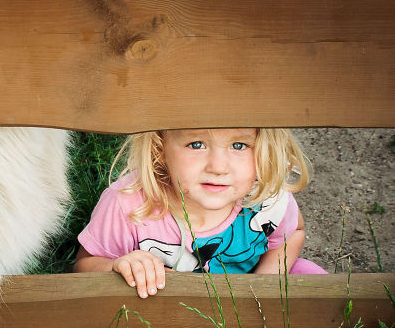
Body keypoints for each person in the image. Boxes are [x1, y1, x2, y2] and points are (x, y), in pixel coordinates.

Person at [74, 128, 327, 298]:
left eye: (239, 145)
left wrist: (263, 287)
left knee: (312, 280)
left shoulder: (266, 198)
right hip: (158, 310)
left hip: (244, 296)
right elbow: (85, 264)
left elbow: (293, 234)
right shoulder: (130, 204)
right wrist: (119, 266)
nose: (218, 167)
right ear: (159, 149)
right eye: (196, 144)